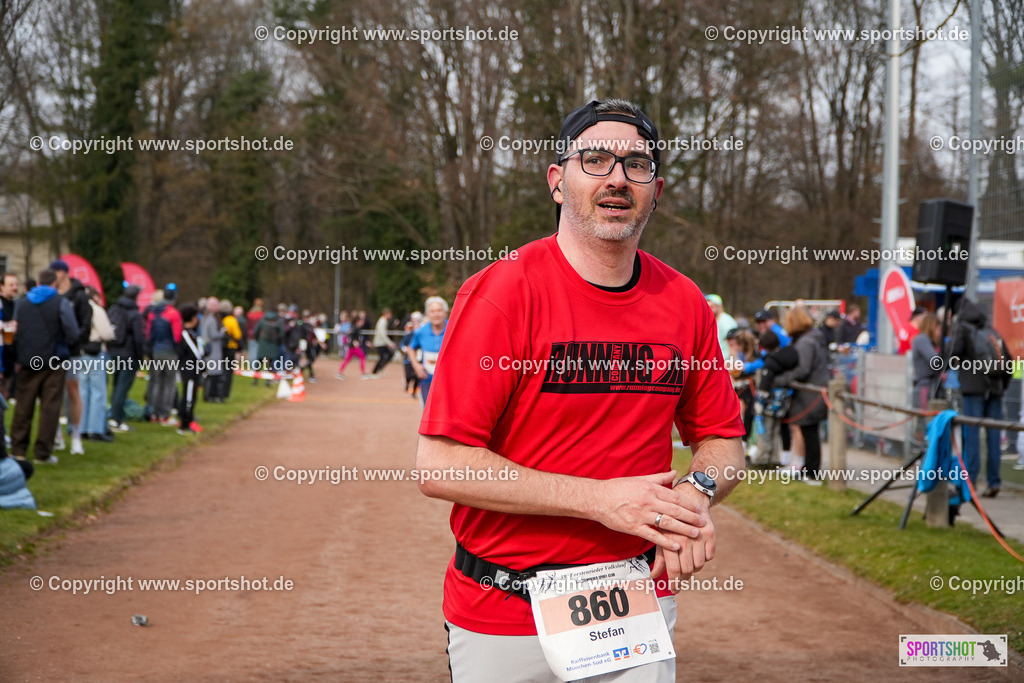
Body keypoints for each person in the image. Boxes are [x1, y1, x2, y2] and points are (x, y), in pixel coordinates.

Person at [415, 99, 745, 682]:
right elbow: (441, 465)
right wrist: (599, 500)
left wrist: (694, 496)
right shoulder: (502, 292)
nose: (617, 178)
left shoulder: (684, 301)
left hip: (634, 601)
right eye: (595, 160)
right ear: (557, 181)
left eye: (636, 165)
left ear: (656, 190)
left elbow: (723, 440)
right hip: (505, 609)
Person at [11, 269, 80, 464]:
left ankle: (18, 449)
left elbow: (15, 331)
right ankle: (42, 453)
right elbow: (72, 331)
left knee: (23, 405)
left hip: (27, 360)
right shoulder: (60, 302)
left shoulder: (22, 303)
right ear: (55, 283)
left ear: (38, 282)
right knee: (50, 407)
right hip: (53, 361)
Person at [950, 298, 1011, 498]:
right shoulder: (992, 331)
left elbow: (951, 354)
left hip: (973, 389)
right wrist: (1001, 387)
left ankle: (970, 481)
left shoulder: (963, 329)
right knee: (994, 437)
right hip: (995, 391)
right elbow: (1008, 362)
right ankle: (994, 482)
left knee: (972, 436)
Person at [773, 306, 830, 482]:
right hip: (812, 390)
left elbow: (803, 369)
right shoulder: (811, 338)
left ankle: (812, 473)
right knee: (808, 431)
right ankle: (806, 468)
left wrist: (781, 379)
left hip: (812, 392)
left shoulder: (806, 342)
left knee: (810, 432)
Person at [51, 260, 92, 456]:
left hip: (72, 352)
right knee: (53, 394)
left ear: (64, 272)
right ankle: (56, 435)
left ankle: (76, 436)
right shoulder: (51, 294)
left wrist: (71, 339)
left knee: (73, 391)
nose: (54, 276)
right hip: (52, 352)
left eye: (56, 272)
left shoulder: (79, 295)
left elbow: (86, 325)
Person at [107, 285, 146, 432]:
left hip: (114, 352)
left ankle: (113, 414)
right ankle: (117, 419)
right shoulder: (134, 313)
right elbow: (138, 338)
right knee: (123, 388)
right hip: (129, 354)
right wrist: (140, 357)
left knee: (116, 385)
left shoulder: (114, 309)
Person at [79, 287, 115, 443]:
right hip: (94, 352)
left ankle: (81, 427)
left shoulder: (76, 308)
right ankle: (95, 429)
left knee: (82, 391)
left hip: (80, 352)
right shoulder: (96, 309)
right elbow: (107, 333)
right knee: (97, 391)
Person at [143, 290, 182, 424]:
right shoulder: (173, 313)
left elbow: (149, 334)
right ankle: (164, 413)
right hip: (169, 351)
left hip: (156, 351)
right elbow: (177, 335)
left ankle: (153, 412)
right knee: (169, 383)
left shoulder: (153, 313)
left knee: (156, 382)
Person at [406, 297, 447, 403]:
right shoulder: (421, 332)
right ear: (428, 314)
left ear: (445, 313)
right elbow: (411, 349)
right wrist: (416, 365)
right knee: (428, 410)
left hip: (448, 382)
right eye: (432, 311)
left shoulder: (453, 328)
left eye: (439, 310)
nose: (436, 314)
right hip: (427, 380)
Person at [176, 305, 203, 435]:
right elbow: (196, 352)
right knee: (188, 396)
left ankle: (188, 420)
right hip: (188, 368)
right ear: (192, 318)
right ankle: (184, 424)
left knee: (192, 395)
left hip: (194, 368)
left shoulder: (192, 333)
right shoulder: (186, 333)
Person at [253, 307, 284, 384]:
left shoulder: (262, 320)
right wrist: (277, 341)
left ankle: (255, 379)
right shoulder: (277, 321)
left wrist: (259, 340)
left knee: (259, 361)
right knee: (270, 363)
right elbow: (282, 334)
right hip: (273, 344)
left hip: (262, 343)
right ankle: (268, 381)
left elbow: (255, 331)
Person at [336, 311, 370, 380]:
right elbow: (351, 335)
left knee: (347, 359)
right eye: (361, 321)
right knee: (362, 357)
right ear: (358, 321)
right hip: (354, 347)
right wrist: (354, 341)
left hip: (351, 347)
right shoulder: (355, 328)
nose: (363, 322)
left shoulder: (355, 327)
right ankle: (363, 373)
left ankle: (339, 372)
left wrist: (366, 342)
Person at [0, 272, 19, 398]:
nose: (15, 287)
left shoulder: (16, 304)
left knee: (5, 396)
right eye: (11, 285)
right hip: (2, 355)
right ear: (2, 286)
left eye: (16, 284)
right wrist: (8, 326)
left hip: (11, 356)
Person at [220, 300, 242, 399]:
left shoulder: (219, 319)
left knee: (220, 369)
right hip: (230, 347)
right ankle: (225, 392)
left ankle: (218, 390)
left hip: (220, 348)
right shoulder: (231, 320)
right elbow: (238, 335)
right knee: (228, 371)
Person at [706, 294, 737, 360]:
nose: (709, 309)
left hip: (726, 359)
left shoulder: (725, 320)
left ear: (720, 306)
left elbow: (732, 343)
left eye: (712, 306)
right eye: (707, 307)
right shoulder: (715, 321)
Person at [370, 308, 397, 376]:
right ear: (386, 314)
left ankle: (378, 369)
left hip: (381, 343)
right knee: (385, 356)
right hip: (380, 343)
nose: (390, 315)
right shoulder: (382, 321)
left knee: (385, 356)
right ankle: (375, 371)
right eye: (389, 314)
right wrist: (390, 343)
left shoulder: (383, 321)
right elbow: (382, 334)